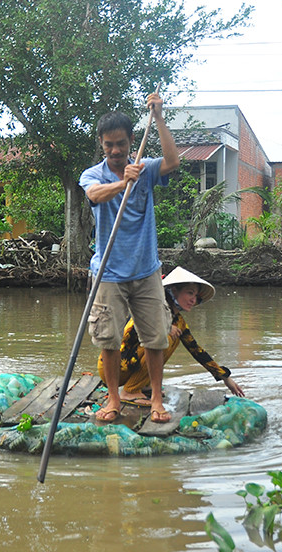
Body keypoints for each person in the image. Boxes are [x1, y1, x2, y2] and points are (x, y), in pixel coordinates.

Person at [80, 91, 180, 423]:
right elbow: (93, 195)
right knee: (108, 339)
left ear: (130, 140)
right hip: (109, 272)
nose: (115, 150)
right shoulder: (93, 174)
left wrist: (160, 117)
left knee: (155, 338)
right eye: (108, 145)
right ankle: (112, 400)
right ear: (101, 144)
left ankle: (155, 400)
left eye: (120, 143)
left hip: (146, 269)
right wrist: (123, 184)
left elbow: (173, 162)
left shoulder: (146, 169)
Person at [98, 267, 245, 422]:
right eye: (189, 293)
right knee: (164, 339)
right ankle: (130, 391)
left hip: (131, 367)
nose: (193, 299)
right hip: (114, 367)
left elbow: (196, 350)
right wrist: (164, 327)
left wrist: (224, 377)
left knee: (172, 337)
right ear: (174, 291)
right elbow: (130, 332)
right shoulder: (152, 309)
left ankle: (142, 384)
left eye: (196, 296)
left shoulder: (179, 321)